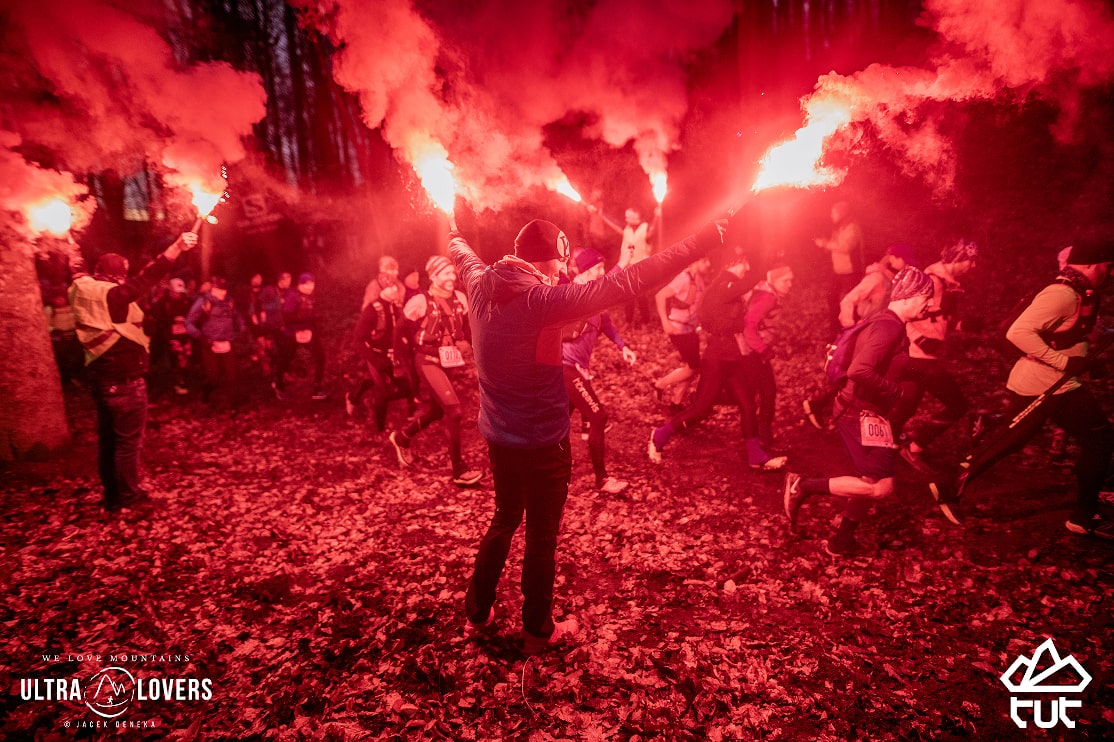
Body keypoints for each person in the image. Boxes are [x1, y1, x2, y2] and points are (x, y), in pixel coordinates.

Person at [452, 216, 725, 654]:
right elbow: (631, 282)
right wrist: (702, 241)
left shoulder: (479, 278)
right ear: (546, 262)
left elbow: (459, 250)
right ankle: (538, 630)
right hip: (543, 442)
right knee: (541, 536)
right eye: (558, 264)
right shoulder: (542, 299)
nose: (562, 271)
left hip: (498, 438)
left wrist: (451, 228)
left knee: (504, 519)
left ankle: (477, 613)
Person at [929, 240, 1114, 538]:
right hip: (1051, 383)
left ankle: (949, 484)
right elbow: (1018, 332)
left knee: (1011, 439)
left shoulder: (1079, 291)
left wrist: (1086, 358)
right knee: (1101, 439)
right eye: (1108, 266)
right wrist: (1064, 363)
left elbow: (1075, 329)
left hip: (1050, 382)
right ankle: (1083, 514)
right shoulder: (1063, 293)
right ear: (1092, 263)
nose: (1110, 273)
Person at [783, 267, 934, 556]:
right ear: (910, 296)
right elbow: (859, 370)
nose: (929, 304)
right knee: (882, 487)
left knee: (869, 480)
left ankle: (842, 541)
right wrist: (897, 392)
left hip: (867, 411)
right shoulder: (889, 327)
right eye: (926, 297)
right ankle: (803, 485)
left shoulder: (888, 322)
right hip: (859, 412)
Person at [68, 230, 198, 510]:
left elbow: (76, 269)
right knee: (127, 443)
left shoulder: (82, 288)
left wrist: (71, 246)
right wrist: (176, 246)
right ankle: (129, 498)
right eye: (125, 274)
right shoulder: (116, 295)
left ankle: (112, 496)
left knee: (107, 440)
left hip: (100, 378)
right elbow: (150, 275)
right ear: (120, 274)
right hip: (125, 380)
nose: (127, 278)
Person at [648, 258, 786, 471]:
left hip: (732, 358)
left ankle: (756, 457)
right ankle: (659, 436)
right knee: (700, 410)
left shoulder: (726, 287)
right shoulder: (723, 285)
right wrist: (766, 264)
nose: (747, 268)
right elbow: (739, 296)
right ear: (733, 263)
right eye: (745, 264)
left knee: (748, 406)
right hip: (717, 358)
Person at [388, 256, 483, 486]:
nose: (451, 277)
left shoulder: (460, 299)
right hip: (427, 360)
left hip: (448, 361)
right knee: (454, 411)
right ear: (433, 276)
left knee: (436, 411)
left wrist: (481, 358)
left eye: (452, 273)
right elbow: (399, 334)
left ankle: (401, 437)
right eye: (445, 273)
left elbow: (469, 333)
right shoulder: (420, 301)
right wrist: (404, 366)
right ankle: (459, 470)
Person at [804, 242, 915, 430]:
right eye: (904, 261)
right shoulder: (877, 278)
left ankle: (823, 407)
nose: (906, 266)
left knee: (856, 376)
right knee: (854, 375)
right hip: (865, 333)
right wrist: (851, 328)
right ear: (893, 258)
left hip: (877, 334)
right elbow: (849, 299)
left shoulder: (892, 279)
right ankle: (821, 406)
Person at [895, 239, 978, 473]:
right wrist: (920, 339)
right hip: (918, 356)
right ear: (959, 259)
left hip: (921, 355)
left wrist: (962, 325)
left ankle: (879, 446)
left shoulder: (948, 282)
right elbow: (902, 313)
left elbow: (938, 319)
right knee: (958, 404)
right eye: (971, 261)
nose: (973, 267)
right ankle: (915, 447)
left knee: (907, 405)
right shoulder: (932, 280)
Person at [562, 248, 637, 495]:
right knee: (597, 416)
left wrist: (622, 346)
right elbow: (605, 287)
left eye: (604, 269)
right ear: (586, 271)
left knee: (558, 423)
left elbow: (606, 324)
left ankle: (549, 469)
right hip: (564, 367)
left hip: (576, 368)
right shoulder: (574, 293)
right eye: (599, 269)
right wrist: (622, 264)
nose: (602, 272)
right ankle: (602, 480)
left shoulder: (596, 296)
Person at [738, 264, 794, 457]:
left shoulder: (769, 294)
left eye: (791, 280)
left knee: (759, 392)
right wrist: (762, 350)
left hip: (752, 350)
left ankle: (760, 436)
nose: (790, 284)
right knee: (766, 391)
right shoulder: (767, 298)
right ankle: (762, 439)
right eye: (785, 280)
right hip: (751, 351)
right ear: (774, 280)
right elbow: (748, 327)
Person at [347, 282, 409, 431]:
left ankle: (358, 392)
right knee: (383, 390)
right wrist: (375, 360)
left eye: (396, 287)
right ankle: (379, 430)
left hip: (394, 357)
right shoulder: (372, 310)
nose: (396, 291)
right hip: (377, 356)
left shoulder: (396, 306)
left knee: (406, 388)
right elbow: (358, 340)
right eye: (392, 288)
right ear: (383, 290)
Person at [652, 256, 710, 411]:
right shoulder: (683, 278)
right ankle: (660, 384)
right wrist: (665, 322)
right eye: (705, 260)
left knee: (692, 366)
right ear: (695, 261)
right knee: (693, 367)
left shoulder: (699, 279)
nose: (708, 264)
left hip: (690, 329)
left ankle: (676, 403)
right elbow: (660, 296)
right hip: (677, 328)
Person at [592, 204, 662, 327]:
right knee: (628, 297)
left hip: (641, 269)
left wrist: (657, 216)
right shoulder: (627, 229)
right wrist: (601, 215)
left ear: (637, 218)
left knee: (641, 297)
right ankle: (629, 321)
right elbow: (614, 224)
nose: (626, 219)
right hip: (627, 269)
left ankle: (645, 322)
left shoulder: (645, 228)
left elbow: (651, 233)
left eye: (629, 217)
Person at [185, 275, 243, 410]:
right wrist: (201, 337)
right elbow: (188, 323)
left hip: (227, 342)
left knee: (232, 376)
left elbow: (237, 316)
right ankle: (206, 393)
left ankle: (233, 406)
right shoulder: (203, 302)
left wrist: (242, 327)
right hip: (209, 344)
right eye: (219, 289)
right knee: (214, 377)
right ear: (213, 289)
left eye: (224, 290)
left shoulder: (230, 302)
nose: (222, 293)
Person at [273, 272, 327, 400]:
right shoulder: (293, 296)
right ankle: (278, 385)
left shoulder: (310, 296)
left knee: (320, 356)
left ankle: (317, 388)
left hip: (309, 331)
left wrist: (314, 323)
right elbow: (286, 316)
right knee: (286, 357)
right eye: (307, 284)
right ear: (300, 285)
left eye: (312, 284)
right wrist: (303, 323)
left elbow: (311, 314)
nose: (310, 287)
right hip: (292, 333)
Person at [814, 200, 865, 327]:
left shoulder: (852, 227)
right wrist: (825, 243)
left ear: (841, 213)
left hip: (852, 271)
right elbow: (835, 244)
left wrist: (825, 244)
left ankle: (854, 326)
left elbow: (846, 246)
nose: (831, 215)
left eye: (834, 213)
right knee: (831, 296)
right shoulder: (839, 228)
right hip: (839, 271)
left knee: (852, 300)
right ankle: (835, 324)